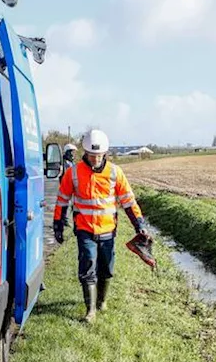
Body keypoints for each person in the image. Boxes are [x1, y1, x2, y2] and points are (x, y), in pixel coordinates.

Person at [52, 129, 149, 322]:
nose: (95, 159)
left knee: (106, 268)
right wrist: (58, 224)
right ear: (85, 153)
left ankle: (102, 301)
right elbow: (62, 200)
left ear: (104, 153)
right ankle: (91, 311)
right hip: (84, 229)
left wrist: (139, 224)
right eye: (91, 155)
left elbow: (128, 201)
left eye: (99, 155)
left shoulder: (115, 172)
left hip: (108, 230)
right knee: (87, 266)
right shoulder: (73, 173)